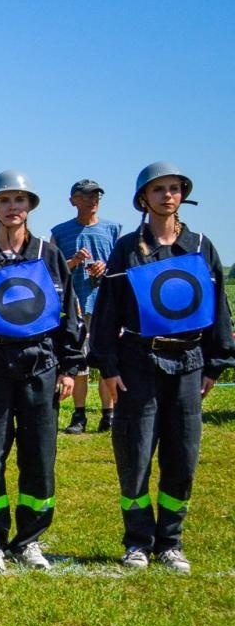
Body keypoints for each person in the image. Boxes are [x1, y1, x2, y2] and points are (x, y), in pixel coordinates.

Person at [90, 162, 234, 572]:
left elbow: (218, 307)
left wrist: (215, 363)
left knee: (182, 456)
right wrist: (108, 364)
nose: (167, 195)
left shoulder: (201, 245)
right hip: (138, 362)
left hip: (189, 363)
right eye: (159, 190)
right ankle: (137, 540)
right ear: (144, 198)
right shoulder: (127, 249)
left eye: (174, 189)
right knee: (135, 455)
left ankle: (170, 541)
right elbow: (108, 309)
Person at [0, 171, 84, 571]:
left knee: (39, 457)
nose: (12, 208)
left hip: (41, 367)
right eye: (4, 201)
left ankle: (30, 540)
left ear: (30, 207)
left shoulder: (48, 254)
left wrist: (69, 366)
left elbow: (67, 314)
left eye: (20, 200)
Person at [48, 179, 121, 434]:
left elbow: (122, 269)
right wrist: (73, 261)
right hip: (75, 307)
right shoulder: (59, 232)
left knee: (107, 359)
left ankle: (108, 414)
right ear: (73, 200)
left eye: (96, 196)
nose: (92, 201)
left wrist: (105, 267)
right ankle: (79, 416)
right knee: (78, 363)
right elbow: (51, 272)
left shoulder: (113, 230)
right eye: (86, 196)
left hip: (106, 306)